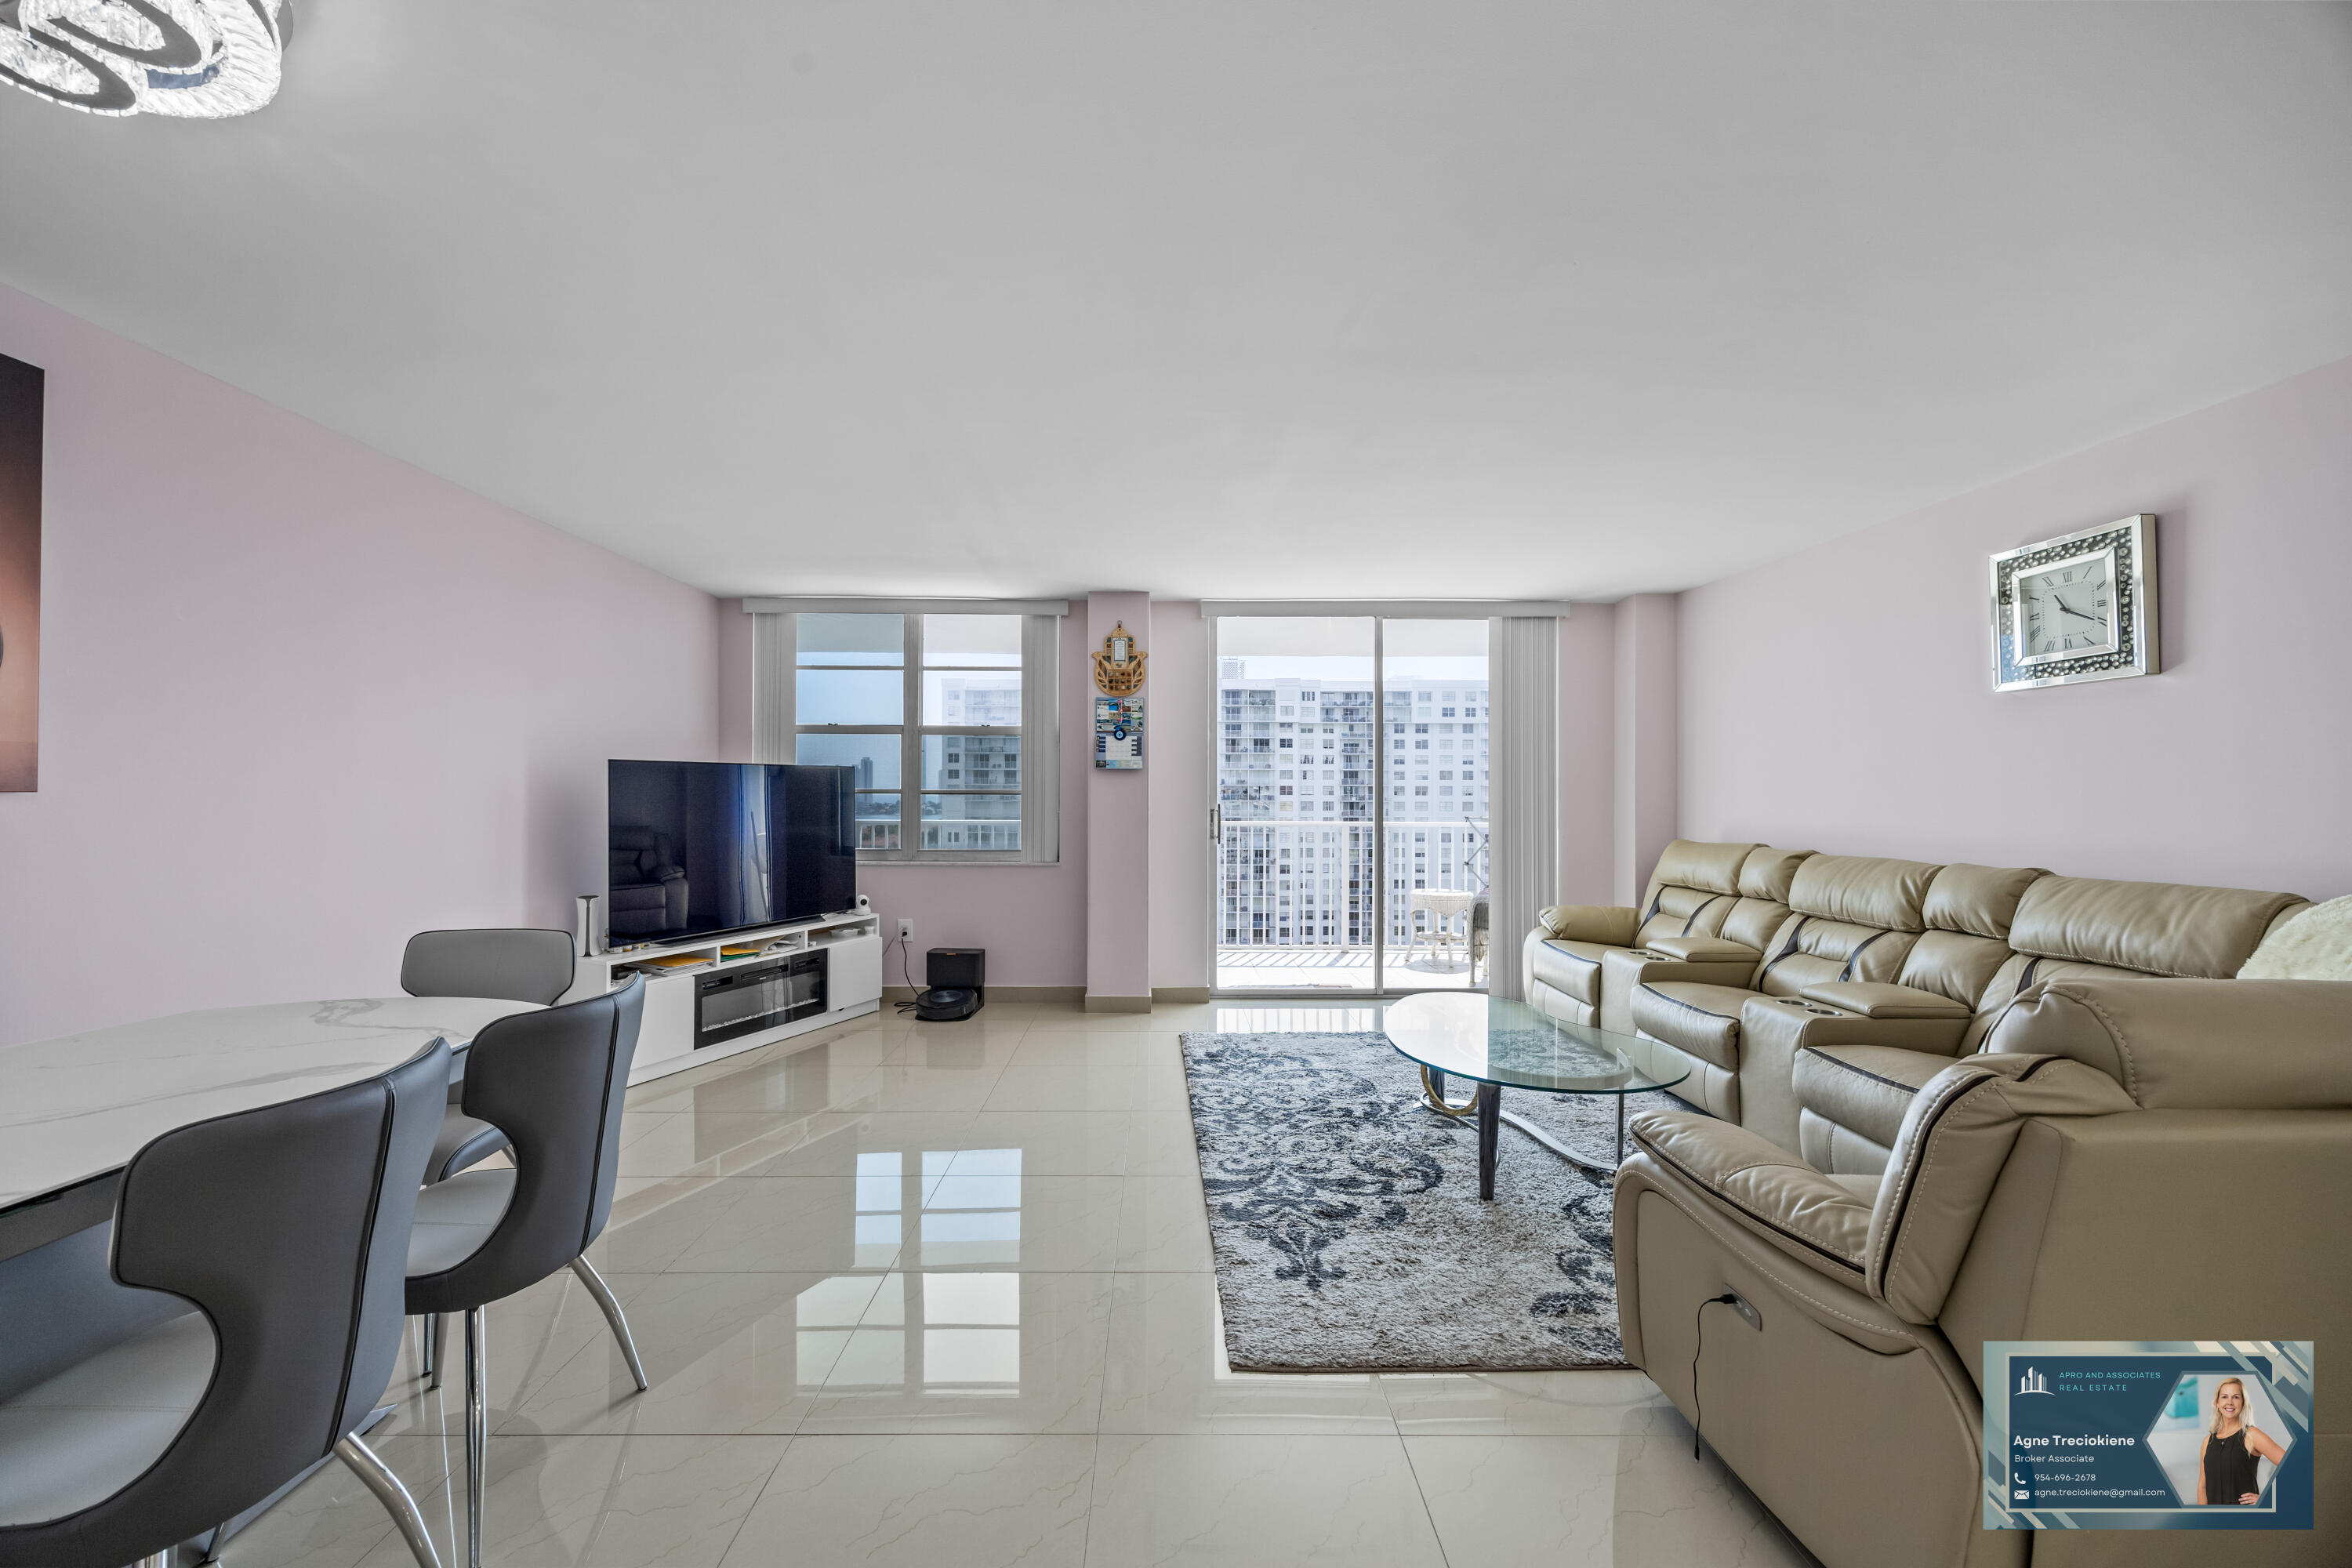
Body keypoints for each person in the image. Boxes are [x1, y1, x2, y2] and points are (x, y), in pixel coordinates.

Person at [2198, 1377, 2286, 1505]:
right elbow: (2202, 1487)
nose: (2230, 1402)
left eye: (2236, 1397)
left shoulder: (2252, 1435)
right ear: (2217, 1403)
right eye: (2224, 1397)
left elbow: (2293, 1465)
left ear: (2243, 1403)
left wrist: (2267, 1498)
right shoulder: (2207, 1442)